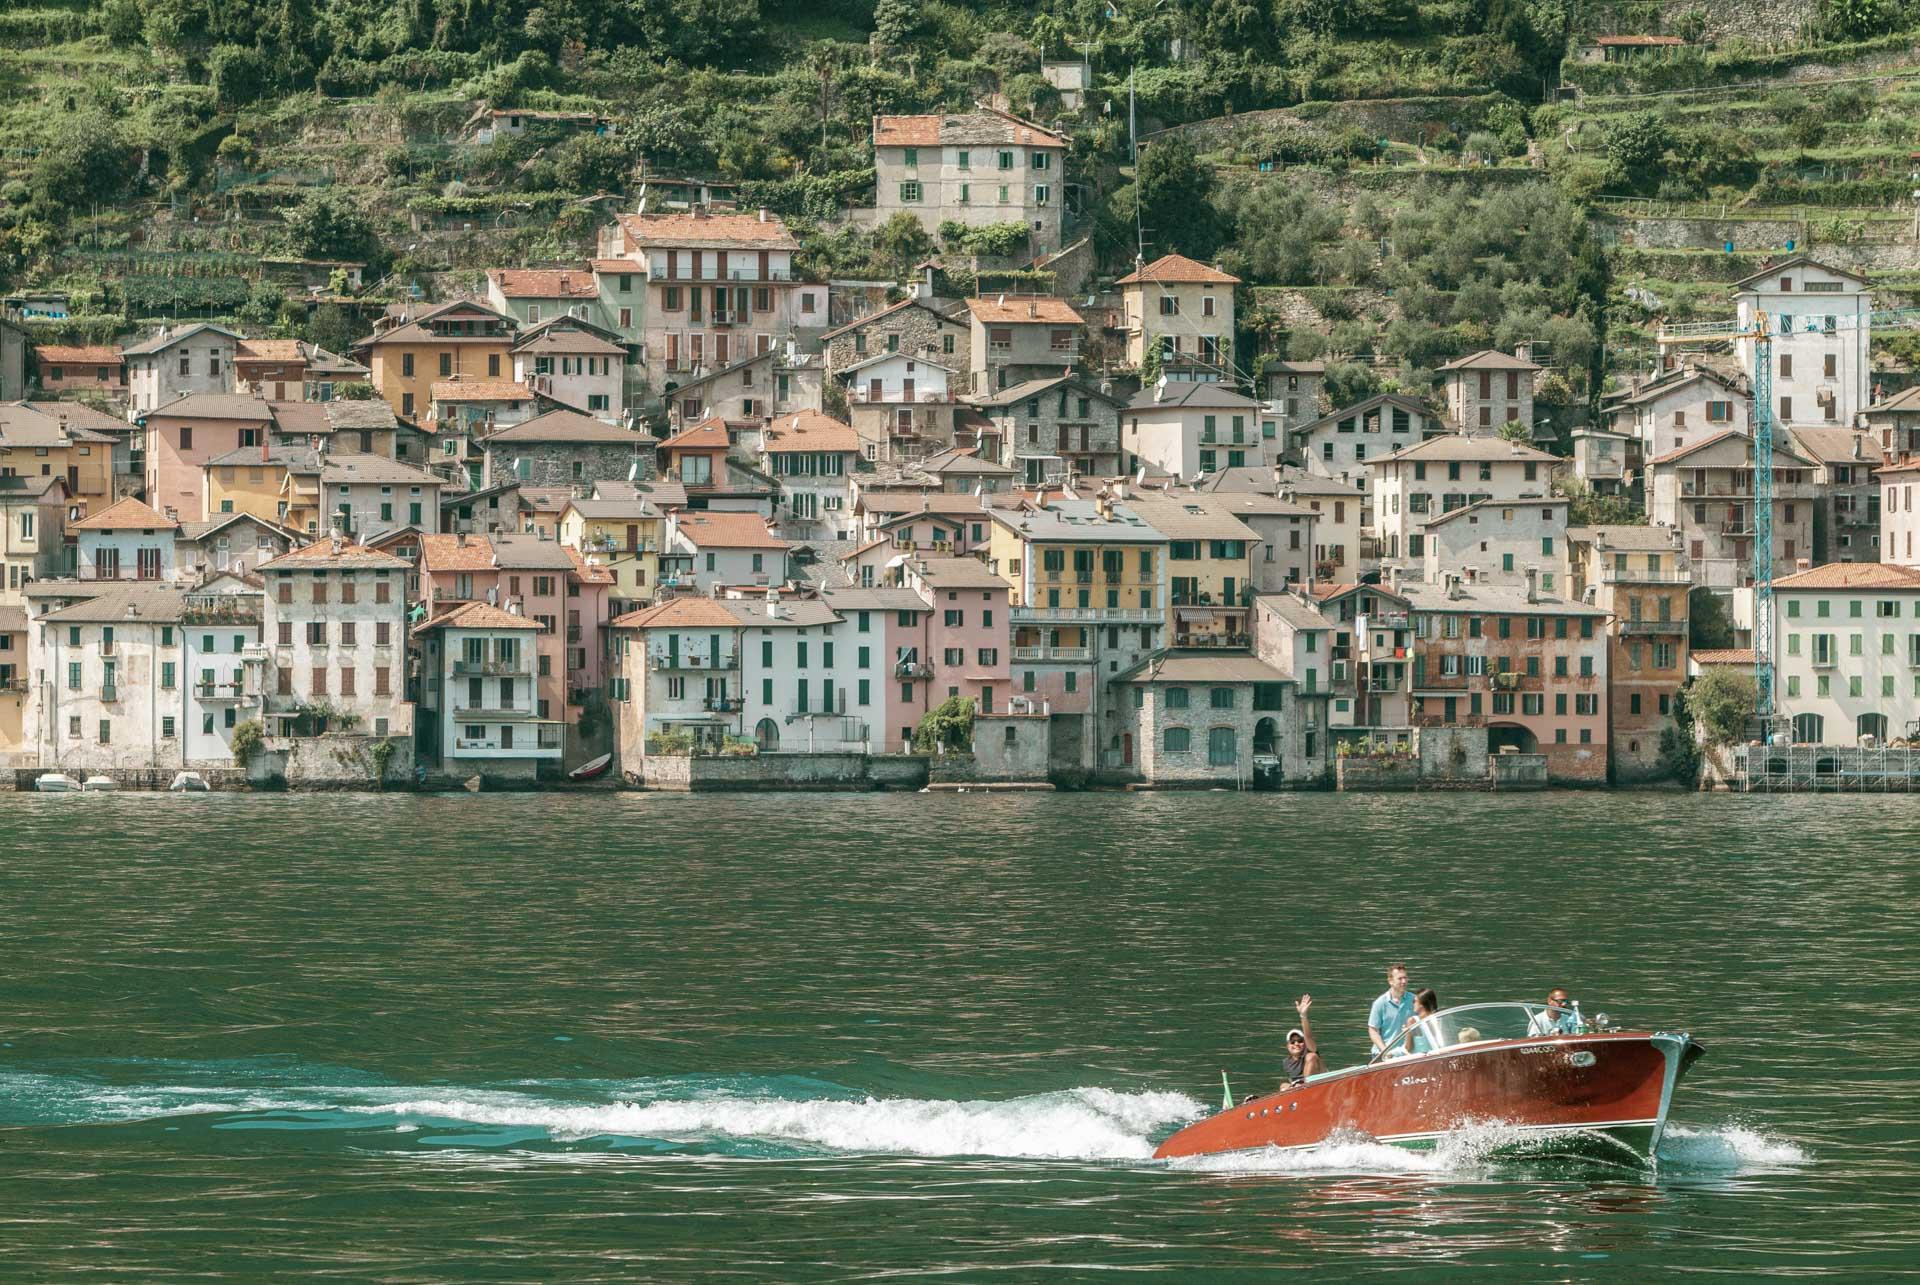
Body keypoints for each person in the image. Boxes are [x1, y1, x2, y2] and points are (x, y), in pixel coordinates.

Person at [1368, 963, 1416, 1056]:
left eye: (1405, 978)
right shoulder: (1380, 1003)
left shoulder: (1414, 1000)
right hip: (1384, 1056)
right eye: (1400, 978)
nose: (1404, 981)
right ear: (1390, 981)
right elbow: (1373, 1030)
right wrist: (1385, 1052)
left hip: (1407, 1053)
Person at [1283, 994, 1323, 1086]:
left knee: (1311, 1056)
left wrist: (1303, 1016)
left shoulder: (1310, 1052)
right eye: (1292, 1042)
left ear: (1305, 1044)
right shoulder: (1286, 1063)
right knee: (1283, 1085)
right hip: (1298, 1089)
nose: (1296, 1043)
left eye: (1300, 1040)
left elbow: (1308, 1037)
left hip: (1318, 1084)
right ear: (1288, 1046)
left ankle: (1304, 1086)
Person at [1401, 988, 1442, 1056]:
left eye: (1414, 1001)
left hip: (1421, 1059)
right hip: (1438, 1055)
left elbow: (1408, 1048)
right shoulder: (1439, 1017)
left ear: (1421, 1005)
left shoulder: (1412, 1021)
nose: (1413, 1003)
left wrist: (1406, 1033)